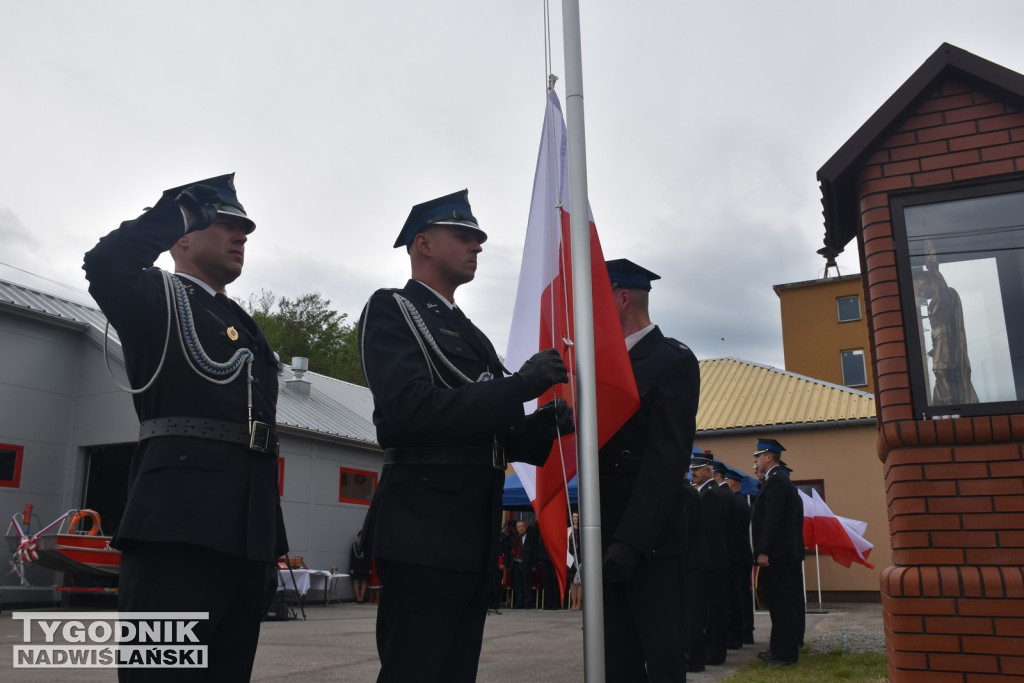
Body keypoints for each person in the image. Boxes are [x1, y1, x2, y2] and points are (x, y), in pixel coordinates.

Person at [357, 189, 574, 682]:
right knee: (416, 667)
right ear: (423, 245)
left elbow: (492, 431)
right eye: (464, 236)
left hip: (471, 527)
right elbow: (411, 410)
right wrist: (521, 385)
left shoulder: (469, 332)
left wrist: (544, 424)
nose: (477, 246)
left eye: (478, 239)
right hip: (423, 524)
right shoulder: (393, 309)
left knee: (456, 669)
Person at [82, 173, 287, 682]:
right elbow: (105, 263)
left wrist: (269, 543)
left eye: (245, 229)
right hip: (177, 525)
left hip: (246, 531)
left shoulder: (240, 320)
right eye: (226, 224)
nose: (242, 237)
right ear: (184, 234)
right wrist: (178, 208)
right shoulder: (154, 297)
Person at [598, 258, 701, 681]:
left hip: (648, 539)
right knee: (616, 657)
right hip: (605, 529)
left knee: (660, 655)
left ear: (622, 298)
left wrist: (631, 541)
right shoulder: (601, 361)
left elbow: (666, 458)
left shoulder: (671, 359)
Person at [751, 438, 805, 666]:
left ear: (768, 457)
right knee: (779, 605)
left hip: (778, 556)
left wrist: (764, 551)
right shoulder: (777, 481)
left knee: (783, 606)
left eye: (757, 456)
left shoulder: (777, 483)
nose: (755, 460)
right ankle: (778, 650)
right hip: (782, 554)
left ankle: (784, 654)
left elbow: (773, 521)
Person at [690, 455, 731, 666]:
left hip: (712, 562)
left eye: (697, 469)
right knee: (709, 610)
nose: (693, 473)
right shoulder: (706, 492)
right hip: (711, 560)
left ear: (708, 471)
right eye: (692, 469)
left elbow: (707, 531)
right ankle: (712, 650)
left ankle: (715, 652)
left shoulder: (710, 494)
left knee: (713, 611)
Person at [722, 467, 755, 647]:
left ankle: (742, 631)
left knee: (736, 595)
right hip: (742, 553)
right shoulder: (742, 502)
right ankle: (746, 631)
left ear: (732, 482)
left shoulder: (734, 502)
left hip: (734, 554)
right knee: (743, 593)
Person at [567, 511, 582, 611]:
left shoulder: (582, 530)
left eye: (577, 517)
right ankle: (574, 602)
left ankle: (579, 603)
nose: (575, 519)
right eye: (574, 517)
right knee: (572, 582)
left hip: (580, 557)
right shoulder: (568, 530)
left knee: (580, 582)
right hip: (570, 557)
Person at [349, 531, 370, 603]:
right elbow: (352, 557)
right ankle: (358, 598)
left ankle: (362, 597)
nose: (361, 537)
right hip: (356, 566)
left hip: (365, 565)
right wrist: (351, 568)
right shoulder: (354, 546)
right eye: (360, 536)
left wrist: (370, 568)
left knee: (364, 581)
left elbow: (369, 558)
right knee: (356, 581)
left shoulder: (367, 546)